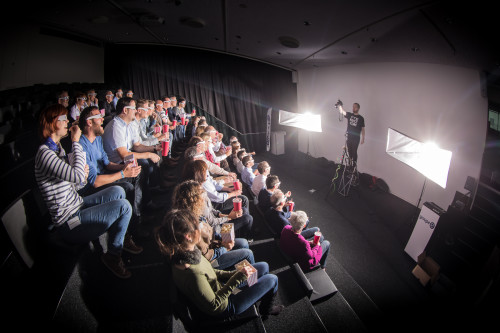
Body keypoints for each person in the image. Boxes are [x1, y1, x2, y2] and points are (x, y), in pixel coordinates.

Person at [34, 104, 137, 279]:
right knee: (124, 206)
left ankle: (120, 239)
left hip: (78, 204)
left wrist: (80, 174)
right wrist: (75, 143)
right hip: (68, 222)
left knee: (119, 191)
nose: (68, 121)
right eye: (63, 119)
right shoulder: (45, 154)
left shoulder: (58, 149)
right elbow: (78, 175)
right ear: (52, 123)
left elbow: (77, 182)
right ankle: (113, 256)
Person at [155, 209, 283, 318]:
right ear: (189, 236)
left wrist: (233, 274)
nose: (200, 227)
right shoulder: (192, 273)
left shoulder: (186, 251)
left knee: (263, 266)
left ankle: (253, 293)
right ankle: (266, 311)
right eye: (197, 226)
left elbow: (211, 272)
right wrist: (237, 278)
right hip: (226, 304)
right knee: (273, 279)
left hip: (220, 286)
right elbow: (215, 305)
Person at [78, 106, 156, 240]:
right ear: (89, 122)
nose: (102, 119)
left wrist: (124, 167)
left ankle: (138, 217)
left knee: (136, 175)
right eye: (98, 116)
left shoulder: (97, 139)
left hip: (104, 175)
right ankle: (132, 228)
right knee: (127, 187)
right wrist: (123, 174)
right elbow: (95, 182)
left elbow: (108, 164)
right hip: (92, 187)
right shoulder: (81, 146)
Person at [172, 180, 255, 270]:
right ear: (196, 201)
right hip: (212, 261)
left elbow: (212, 215)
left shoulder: (195, 214)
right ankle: (247, 279)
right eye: (202, 194)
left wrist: (223, 237)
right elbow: (207, 255)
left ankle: (238, 270)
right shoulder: (193, 228)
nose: (204, 196)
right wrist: (225, 248)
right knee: (248, 253)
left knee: (243, 242)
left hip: (215, 241)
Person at [183, 160, 253, 238]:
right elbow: (212, 222)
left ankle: (240, 234)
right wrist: (229, 217)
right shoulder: (199, 199)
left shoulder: (199, 190)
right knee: (247, 218)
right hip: (218, 232)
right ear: (199, 175)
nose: (207, 174)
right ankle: (243, 238)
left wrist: (224, 215)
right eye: (205, 172)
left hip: (219, 221)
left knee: (244, 210)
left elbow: (212, 211)